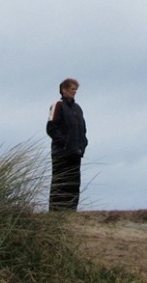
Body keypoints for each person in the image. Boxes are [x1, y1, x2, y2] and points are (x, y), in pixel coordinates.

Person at [46, 78, 88, 211]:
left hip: (76, 152)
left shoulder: (78, 108)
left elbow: (83, 128)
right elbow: (51, 127)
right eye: (72, 89)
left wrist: (83, 144)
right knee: (60, 182)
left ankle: (71, 211)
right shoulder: (57, 105)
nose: (74, 92)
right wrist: (63, 142)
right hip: (61, 153)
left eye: (76, 89)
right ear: (64, 90)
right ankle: (56, 212)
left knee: (74, 184)